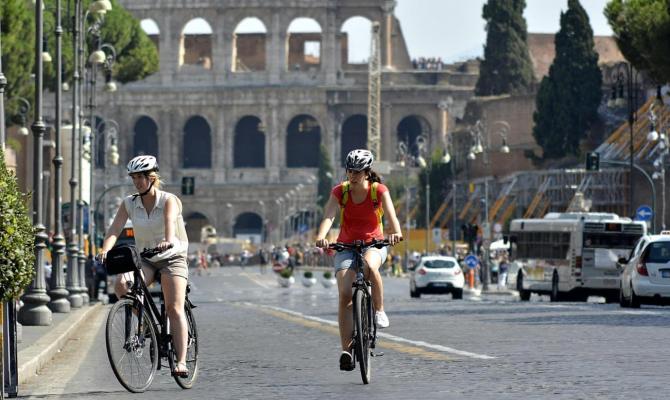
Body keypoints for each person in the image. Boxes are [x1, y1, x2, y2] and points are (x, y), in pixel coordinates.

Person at [97, 155, 191, 378]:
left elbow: (169, 222)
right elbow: (114, 230)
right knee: (121, 284)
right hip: (147, 258)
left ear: (153, 178)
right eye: (134, 178)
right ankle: (145, 320)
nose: (137, 182)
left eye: (142, 177)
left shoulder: (169, 200)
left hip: (172, 256)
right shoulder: (129, 203)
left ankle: (181, 360)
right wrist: (105, 249)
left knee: (174, 308)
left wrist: (167, 240)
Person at [315, 149, 403, 371]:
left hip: (374, 243)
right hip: (345, 245)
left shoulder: (378, 191)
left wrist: (396, 232)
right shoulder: (340, 192)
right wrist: (322, 236)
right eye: (350, 171)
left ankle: (379, 309)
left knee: (369, 265)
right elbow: (329, 215)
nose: (353, 175)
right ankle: (346, 350)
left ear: (367, 172)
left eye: (358, 171)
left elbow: (392, 217)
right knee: (345, 293)